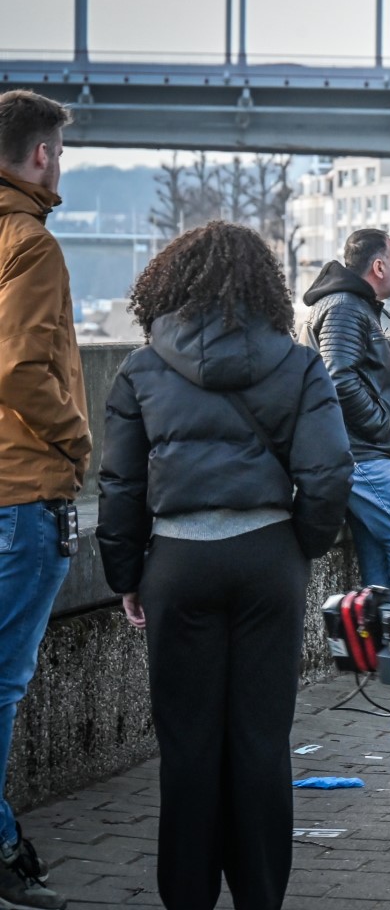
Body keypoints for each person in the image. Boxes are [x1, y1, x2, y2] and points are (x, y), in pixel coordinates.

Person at [97, 221, 353, 910]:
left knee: (187, 746)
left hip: (178, 563)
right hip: (268, 558)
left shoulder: (142, 368)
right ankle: (260, 897)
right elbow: (329, 474)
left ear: (170, 285)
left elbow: (119, 486)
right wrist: (300, 544)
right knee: (261, 742)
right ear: (262, 286)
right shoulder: (299, 365)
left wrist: (124, 575)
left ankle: (186, 896)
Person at [0, 90, 89, 910]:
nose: (59, 164)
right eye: (58, 150)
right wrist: (78, 440)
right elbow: (23, 370)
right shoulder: (31, 244)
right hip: (23, 490)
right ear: (37, 155)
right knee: (2, 681)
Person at [300, 228, 390, 590]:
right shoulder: (346, 307)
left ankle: (382, 642)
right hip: (363, 454)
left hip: (362, 451)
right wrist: (380, 425)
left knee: (378, 561)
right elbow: (338, 377)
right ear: (378, 266)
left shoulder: (352, 305)